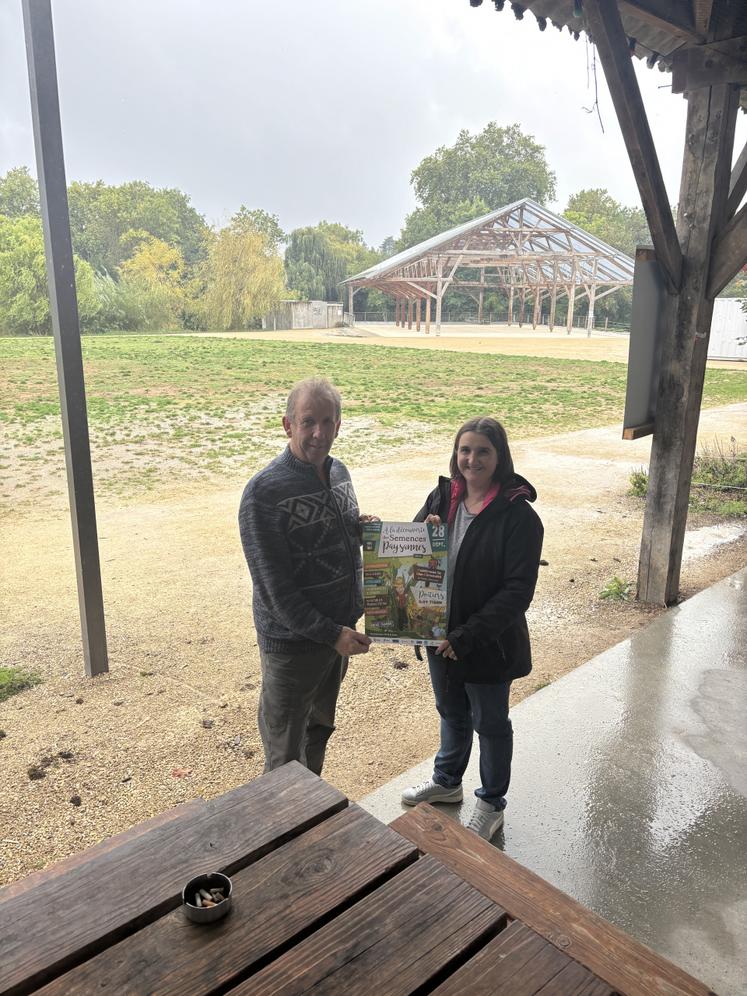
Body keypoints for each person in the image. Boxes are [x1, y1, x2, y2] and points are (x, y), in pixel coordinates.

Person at [401, 416, 543, 840]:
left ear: (499, 456)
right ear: (455, 453)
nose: (471, 459)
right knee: (451, 712)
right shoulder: (442, 497)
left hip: (486, 643)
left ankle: (491, 801)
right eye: (465, 450)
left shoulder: (519, 516)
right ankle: (446, 782)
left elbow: (517, 592)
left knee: (491, 723)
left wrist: (469, 636)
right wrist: (421, 535)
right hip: (439, 634)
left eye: (482, 450)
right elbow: (406, 552)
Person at [238, 377, 371, 776]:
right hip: (294, 647)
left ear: (339, 425)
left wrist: (365, 530)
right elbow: (275, 590)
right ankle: (284, 835)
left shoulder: (340, 473)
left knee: (319, 731)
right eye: (308, 421)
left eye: (327, 422)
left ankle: (311, 820)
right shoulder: (263, 494)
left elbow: (337, 534)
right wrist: (331, 633)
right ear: (287, 425)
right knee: (284, 755)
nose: (318, 433)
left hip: (338, 637)